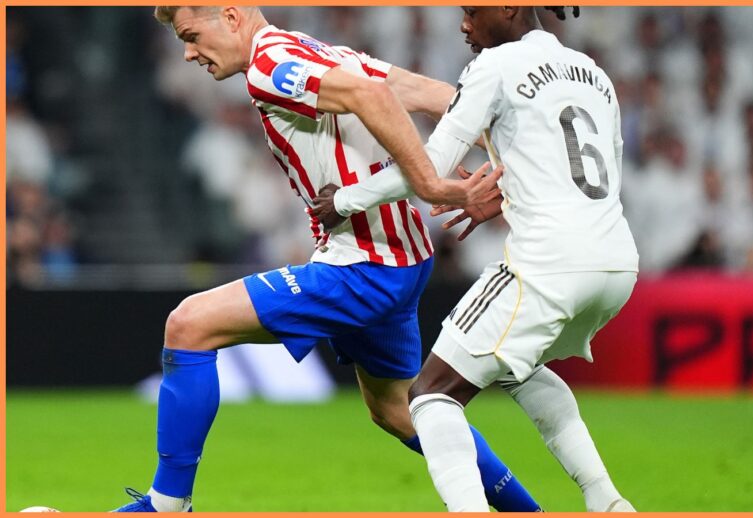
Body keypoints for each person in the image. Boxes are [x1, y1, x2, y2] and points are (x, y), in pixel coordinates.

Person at [113, 6, 539, 512]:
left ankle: (165, 504)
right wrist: (508, 164)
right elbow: (432, 94)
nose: (188, 53)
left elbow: (372, 94)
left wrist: (430, 183)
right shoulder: (310, 48)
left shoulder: (270, 64)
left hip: (364, 266)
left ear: (230, 16)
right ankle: (528, 511)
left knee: (188, 325)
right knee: (401, 410)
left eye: (190, 35)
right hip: (402, 258)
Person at [313, 6, 639, 512]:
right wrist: (508, 194)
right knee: (517, 365)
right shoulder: (594, 74)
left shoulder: (494, 66)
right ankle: (607, 501)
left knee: (430, 396)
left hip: (548, 262)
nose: (463, 24)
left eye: (470, 11)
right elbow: (582, 172)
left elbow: (429, 168)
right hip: (616, 260)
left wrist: (345, 201)